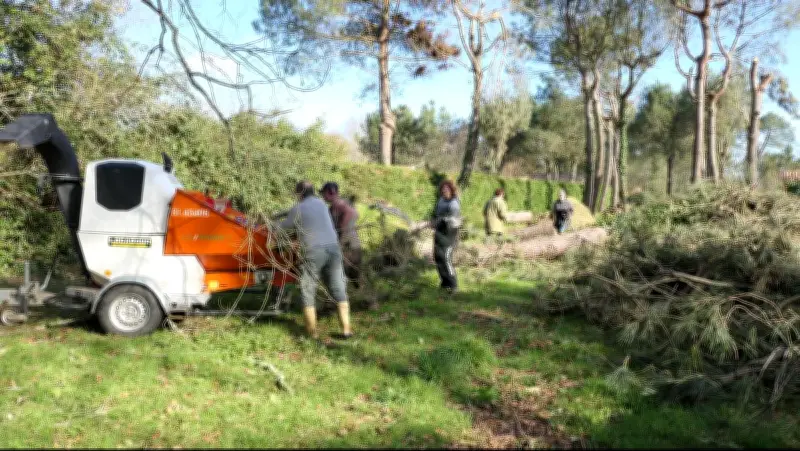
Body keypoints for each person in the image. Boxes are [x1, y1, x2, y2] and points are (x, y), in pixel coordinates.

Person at [277, 181, 353, 340]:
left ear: (299, 194)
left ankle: (312, 334)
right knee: (338, 287)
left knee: (308, 288)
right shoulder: (321, 204)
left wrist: (269, 224)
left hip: (314, 251)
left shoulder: (297, 209)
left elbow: (284, 227)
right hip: (333, 248)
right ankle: (346, 330)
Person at [321, 182, 363, 289]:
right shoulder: (331, 209)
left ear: (331, 192)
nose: (323, 196)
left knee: (349, 274)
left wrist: (342, 236)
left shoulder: (342, 205)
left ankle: (369, 299)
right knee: (346, 274)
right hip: (343, 245)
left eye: (324, 193)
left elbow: (353, 214)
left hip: (350, 246)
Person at [431, 180, 462, 294]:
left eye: (447, 189)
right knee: (437, 257)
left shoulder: (454, 203)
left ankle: (453, 285)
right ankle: (444, 283)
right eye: (443, 189)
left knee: (446, 258)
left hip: (449, 235)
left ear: (451, 190)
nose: (444, 191)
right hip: (439, 233)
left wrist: (444, 220)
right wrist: (433, 221)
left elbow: (455, 221)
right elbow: (435, 214)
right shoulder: (440, 201)